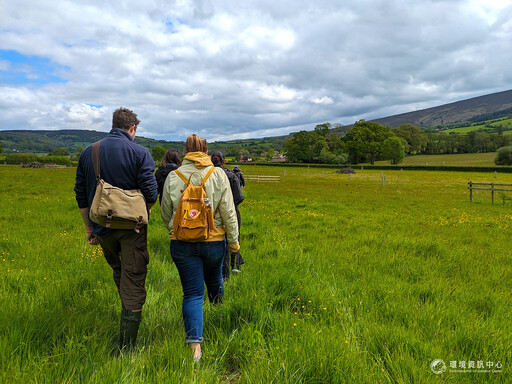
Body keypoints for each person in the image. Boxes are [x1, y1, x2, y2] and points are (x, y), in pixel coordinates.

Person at [74, 107, 158, 352]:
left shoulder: (89, 152)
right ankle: (128, 346)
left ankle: (126, 314)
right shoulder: (141, 153)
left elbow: (81, 194)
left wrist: (89, 228)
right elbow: (151, 193)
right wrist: (146, 208)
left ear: (113, 124)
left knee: (119, 270)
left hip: (101, 226)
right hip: (133, 229)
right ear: (132, 128)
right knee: (133, 277)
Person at [160, 134, 239, 362]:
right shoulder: (218, 174)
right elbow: (228, 212)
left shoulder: (173, 176)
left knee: (193, 294)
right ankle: (218, 316)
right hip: (214, 242)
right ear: (205, 150)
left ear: (186, 150)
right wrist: (233, 243)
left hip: (182, 244)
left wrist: (175, 231)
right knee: (215, 280)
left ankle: (195, 348)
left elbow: (166, 212)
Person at [211, 151, 245, 279]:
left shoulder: (207, 176)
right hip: (231, 211)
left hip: (213, 214)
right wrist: (229, 206)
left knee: (220, 241)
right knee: (234, 237)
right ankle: (234, 265)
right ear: (223, 160)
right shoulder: (231, 176)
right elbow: (239, 197)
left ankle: (222, 272)